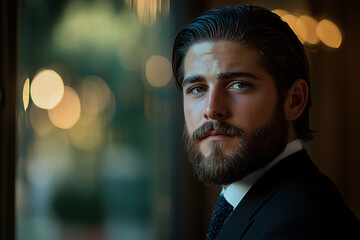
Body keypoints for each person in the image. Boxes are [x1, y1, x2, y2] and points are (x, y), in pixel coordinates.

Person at [172, 5, 360, 240]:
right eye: (197, 89)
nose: (211, 109)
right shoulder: (258, 204)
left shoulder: (299, 227)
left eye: (239, 85)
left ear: (294, 100)